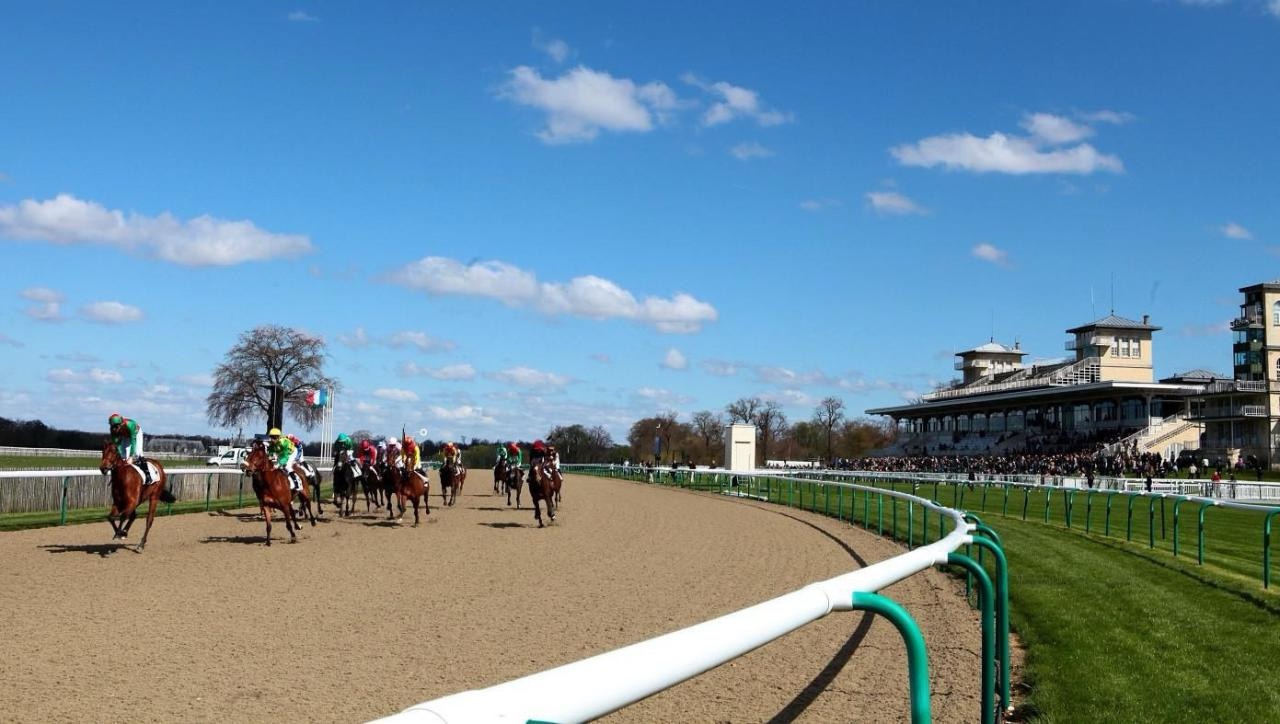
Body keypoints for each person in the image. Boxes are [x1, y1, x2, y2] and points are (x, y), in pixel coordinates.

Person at [108, 412, 152, 485]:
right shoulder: (112, 430)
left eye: (117, 426)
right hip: (125, 435)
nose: (115, 429)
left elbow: (133, 442)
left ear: (121, 424)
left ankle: (148, 475)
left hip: (135, 433)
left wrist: (131, 456)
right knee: (123, 455)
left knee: (138, 453)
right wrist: (120, 453)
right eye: (113, 427)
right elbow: (117, 444)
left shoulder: (130, 425)